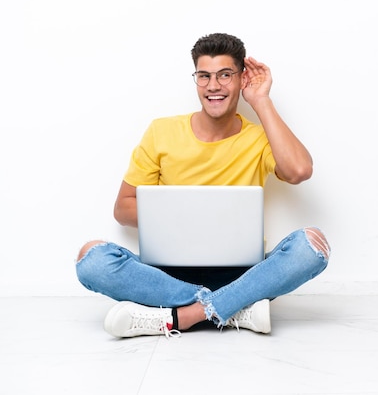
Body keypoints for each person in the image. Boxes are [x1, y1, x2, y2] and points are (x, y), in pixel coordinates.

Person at [75, 33, 330, 338]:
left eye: (225, 75)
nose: (213, 86)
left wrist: (261, 101)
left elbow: (300, 170)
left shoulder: (260, 138)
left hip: (243, 274)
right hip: (168, 275)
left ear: (241, 79)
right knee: (91, 259)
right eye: (204, 76)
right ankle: (234, 308)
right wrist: (186, 216)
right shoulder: (162, 131)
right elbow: (123, 208)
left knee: (312, 246)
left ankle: (182, 317)